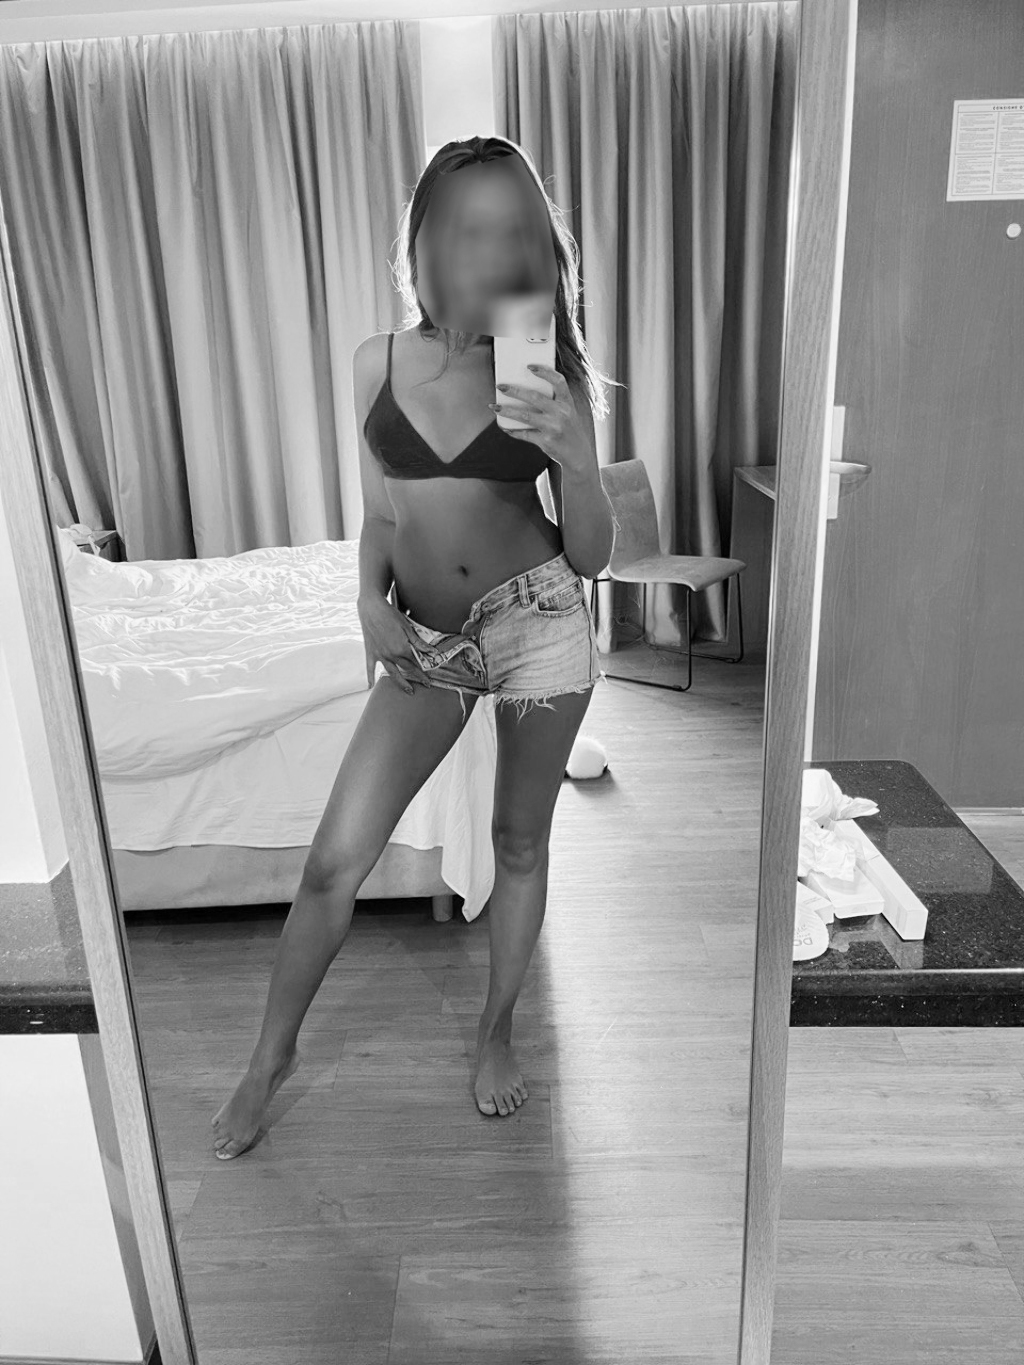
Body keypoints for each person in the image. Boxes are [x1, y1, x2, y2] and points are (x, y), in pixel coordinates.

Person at [211, 135, 618, 1159]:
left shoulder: (541, 365)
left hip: (539, 621)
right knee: (332, 862)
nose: (490, 250)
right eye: (467, 229)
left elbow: (592, 557)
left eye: (510, 230)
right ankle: (269, 1059)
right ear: (427, 240)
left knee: (519, 843)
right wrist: (365, 598)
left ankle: (495, 1033)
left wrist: (578, 459)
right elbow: (383, 516)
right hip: (428, 643)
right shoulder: (376, 363)